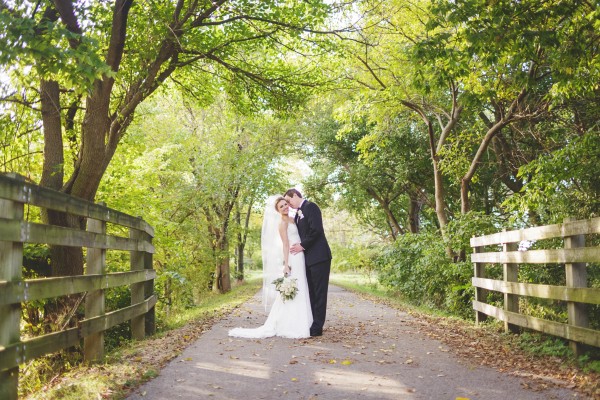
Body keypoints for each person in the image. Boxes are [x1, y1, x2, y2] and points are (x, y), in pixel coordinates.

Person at [228, 196, 313, 339]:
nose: (285, 207)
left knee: (302, 287)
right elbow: (285, 244)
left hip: (300, 255)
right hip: (293, 257)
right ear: (277, 211)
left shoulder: (293, 218)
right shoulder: (282, 223)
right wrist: (286, 265)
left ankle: (305, 321)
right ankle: (291, 324)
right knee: (296, 288)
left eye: (286, 204)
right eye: (281, 206)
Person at [284, 189, 332, 337]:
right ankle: (313, 322)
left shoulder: (311, 207)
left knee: (319, 292)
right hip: (308, 259)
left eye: (289, 201)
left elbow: (316, 230)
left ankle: (317, 327)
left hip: (319, 257)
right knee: (311, 292)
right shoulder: (298, 214)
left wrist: (302, 246)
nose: (289, 204)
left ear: (295, 196)